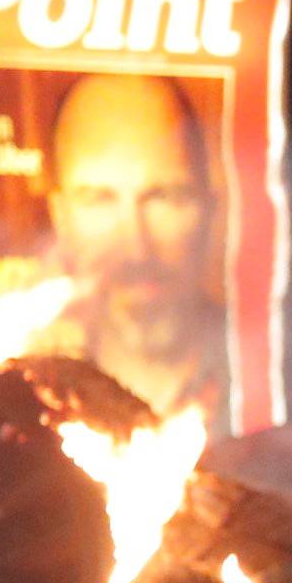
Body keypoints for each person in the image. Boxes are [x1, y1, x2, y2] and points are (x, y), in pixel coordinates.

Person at [37, 73, 228, 426]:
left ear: (209, 209)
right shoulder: (34, 396)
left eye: (165, 197)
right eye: (99, 200)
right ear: (60, 218)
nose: (137, 250)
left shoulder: (286, 386)